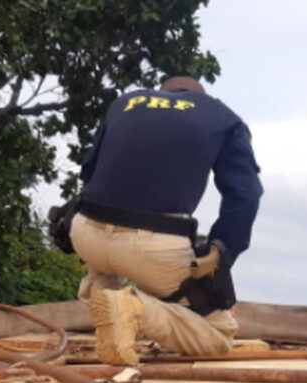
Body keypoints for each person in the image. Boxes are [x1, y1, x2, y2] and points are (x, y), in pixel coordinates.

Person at [70, 75, 262, 365]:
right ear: (199, 95)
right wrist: (222, 248)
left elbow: (89, 171)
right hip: (151, 247)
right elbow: (245, 194)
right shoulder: (222, 116)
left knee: (106, 263)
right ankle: (133, 308)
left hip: (85, 233)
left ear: (162, 93)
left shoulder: (125, 103)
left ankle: (102, 296)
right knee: (218, 334)